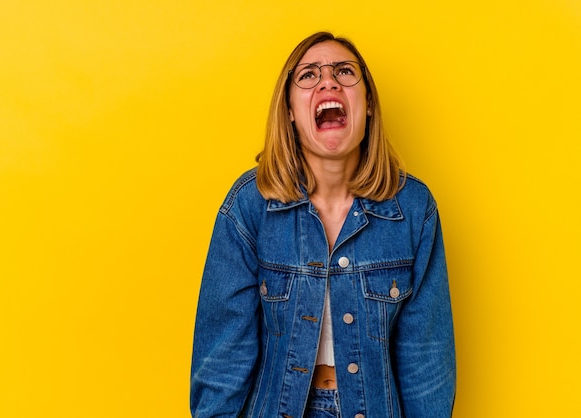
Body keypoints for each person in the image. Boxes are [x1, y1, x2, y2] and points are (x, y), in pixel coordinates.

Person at [190, 31, 456, 418]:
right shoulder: (249, 206)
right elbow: (223, 357)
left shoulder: (413, 209)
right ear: (291, 112)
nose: (328, 81)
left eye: (345, 72)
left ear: (368, 106)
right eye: (309, 75)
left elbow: (426, 362)